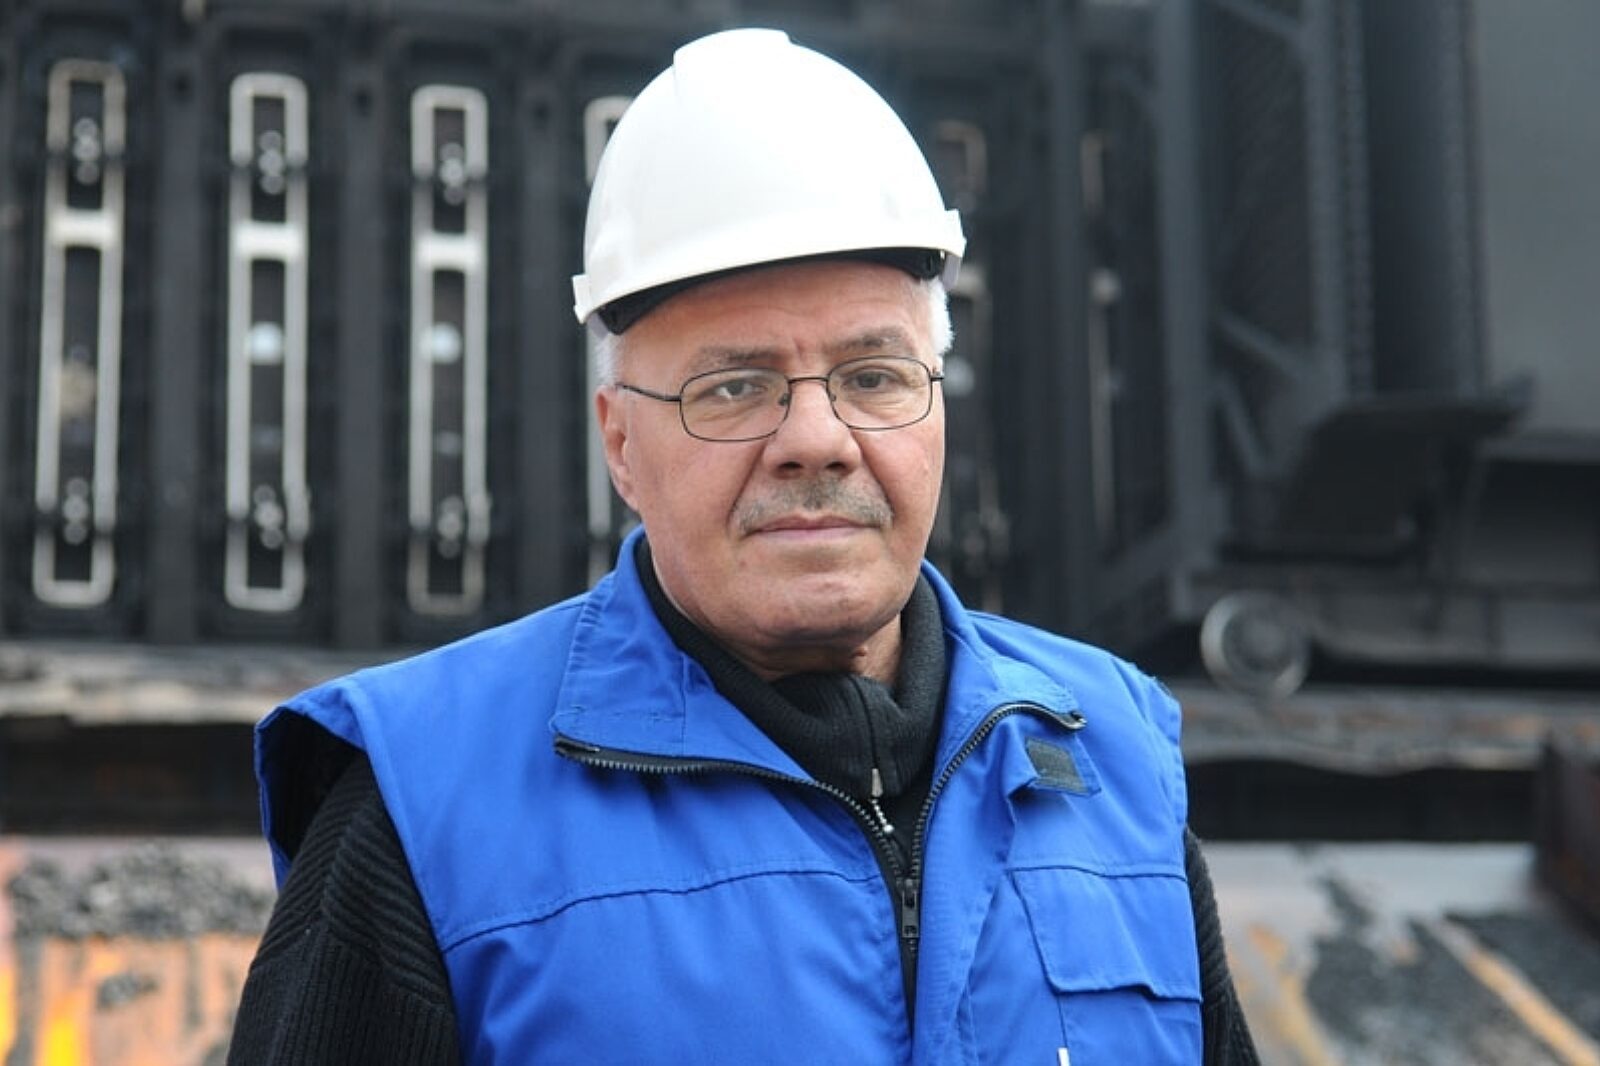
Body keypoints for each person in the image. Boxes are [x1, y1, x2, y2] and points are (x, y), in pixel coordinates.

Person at [228, 27, 1258, 1065]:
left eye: (874, 377)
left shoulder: (1113, 759)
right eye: (734, 388)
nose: (817, 439)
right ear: (620, 444)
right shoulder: (426, 806)